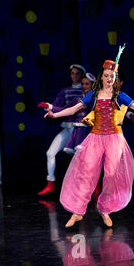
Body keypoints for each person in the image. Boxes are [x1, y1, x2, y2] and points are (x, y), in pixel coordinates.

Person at [44, 45, 134, 228]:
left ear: (115, 78)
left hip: (114, 139)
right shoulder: (93, 96)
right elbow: (73, 109)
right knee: (86, 173)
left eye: (112, 76)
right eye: (106, 75)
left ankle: (105, 209)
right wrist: (55, 115)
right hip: (95, 138)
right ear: (101, 78)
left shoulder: (121, 96)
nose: (109, 78)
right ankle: (77, 212)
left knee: (111, 175)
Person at [37, 64, 85, 195]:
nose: (74, 76)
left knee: (83, 160)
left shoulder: (86, 91)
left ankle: (93, 186)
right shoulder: (65, 91)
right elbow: (58, 105)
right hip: (67, 128)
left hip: (81, 130)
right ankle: (50, 184)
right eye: (72, 73)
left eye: (77, 73)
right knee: (50, 153)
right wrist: (49, 107)